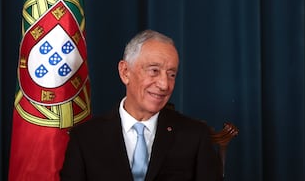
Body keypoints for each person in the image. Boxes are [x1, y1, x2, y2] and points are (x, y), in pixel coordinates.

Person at [60, 29, 222, 180]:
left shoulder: (195, 135)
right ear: (125, 72)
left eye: (171, 74)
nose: (164, 84)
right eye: (154, 71)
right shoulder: (85, 138)